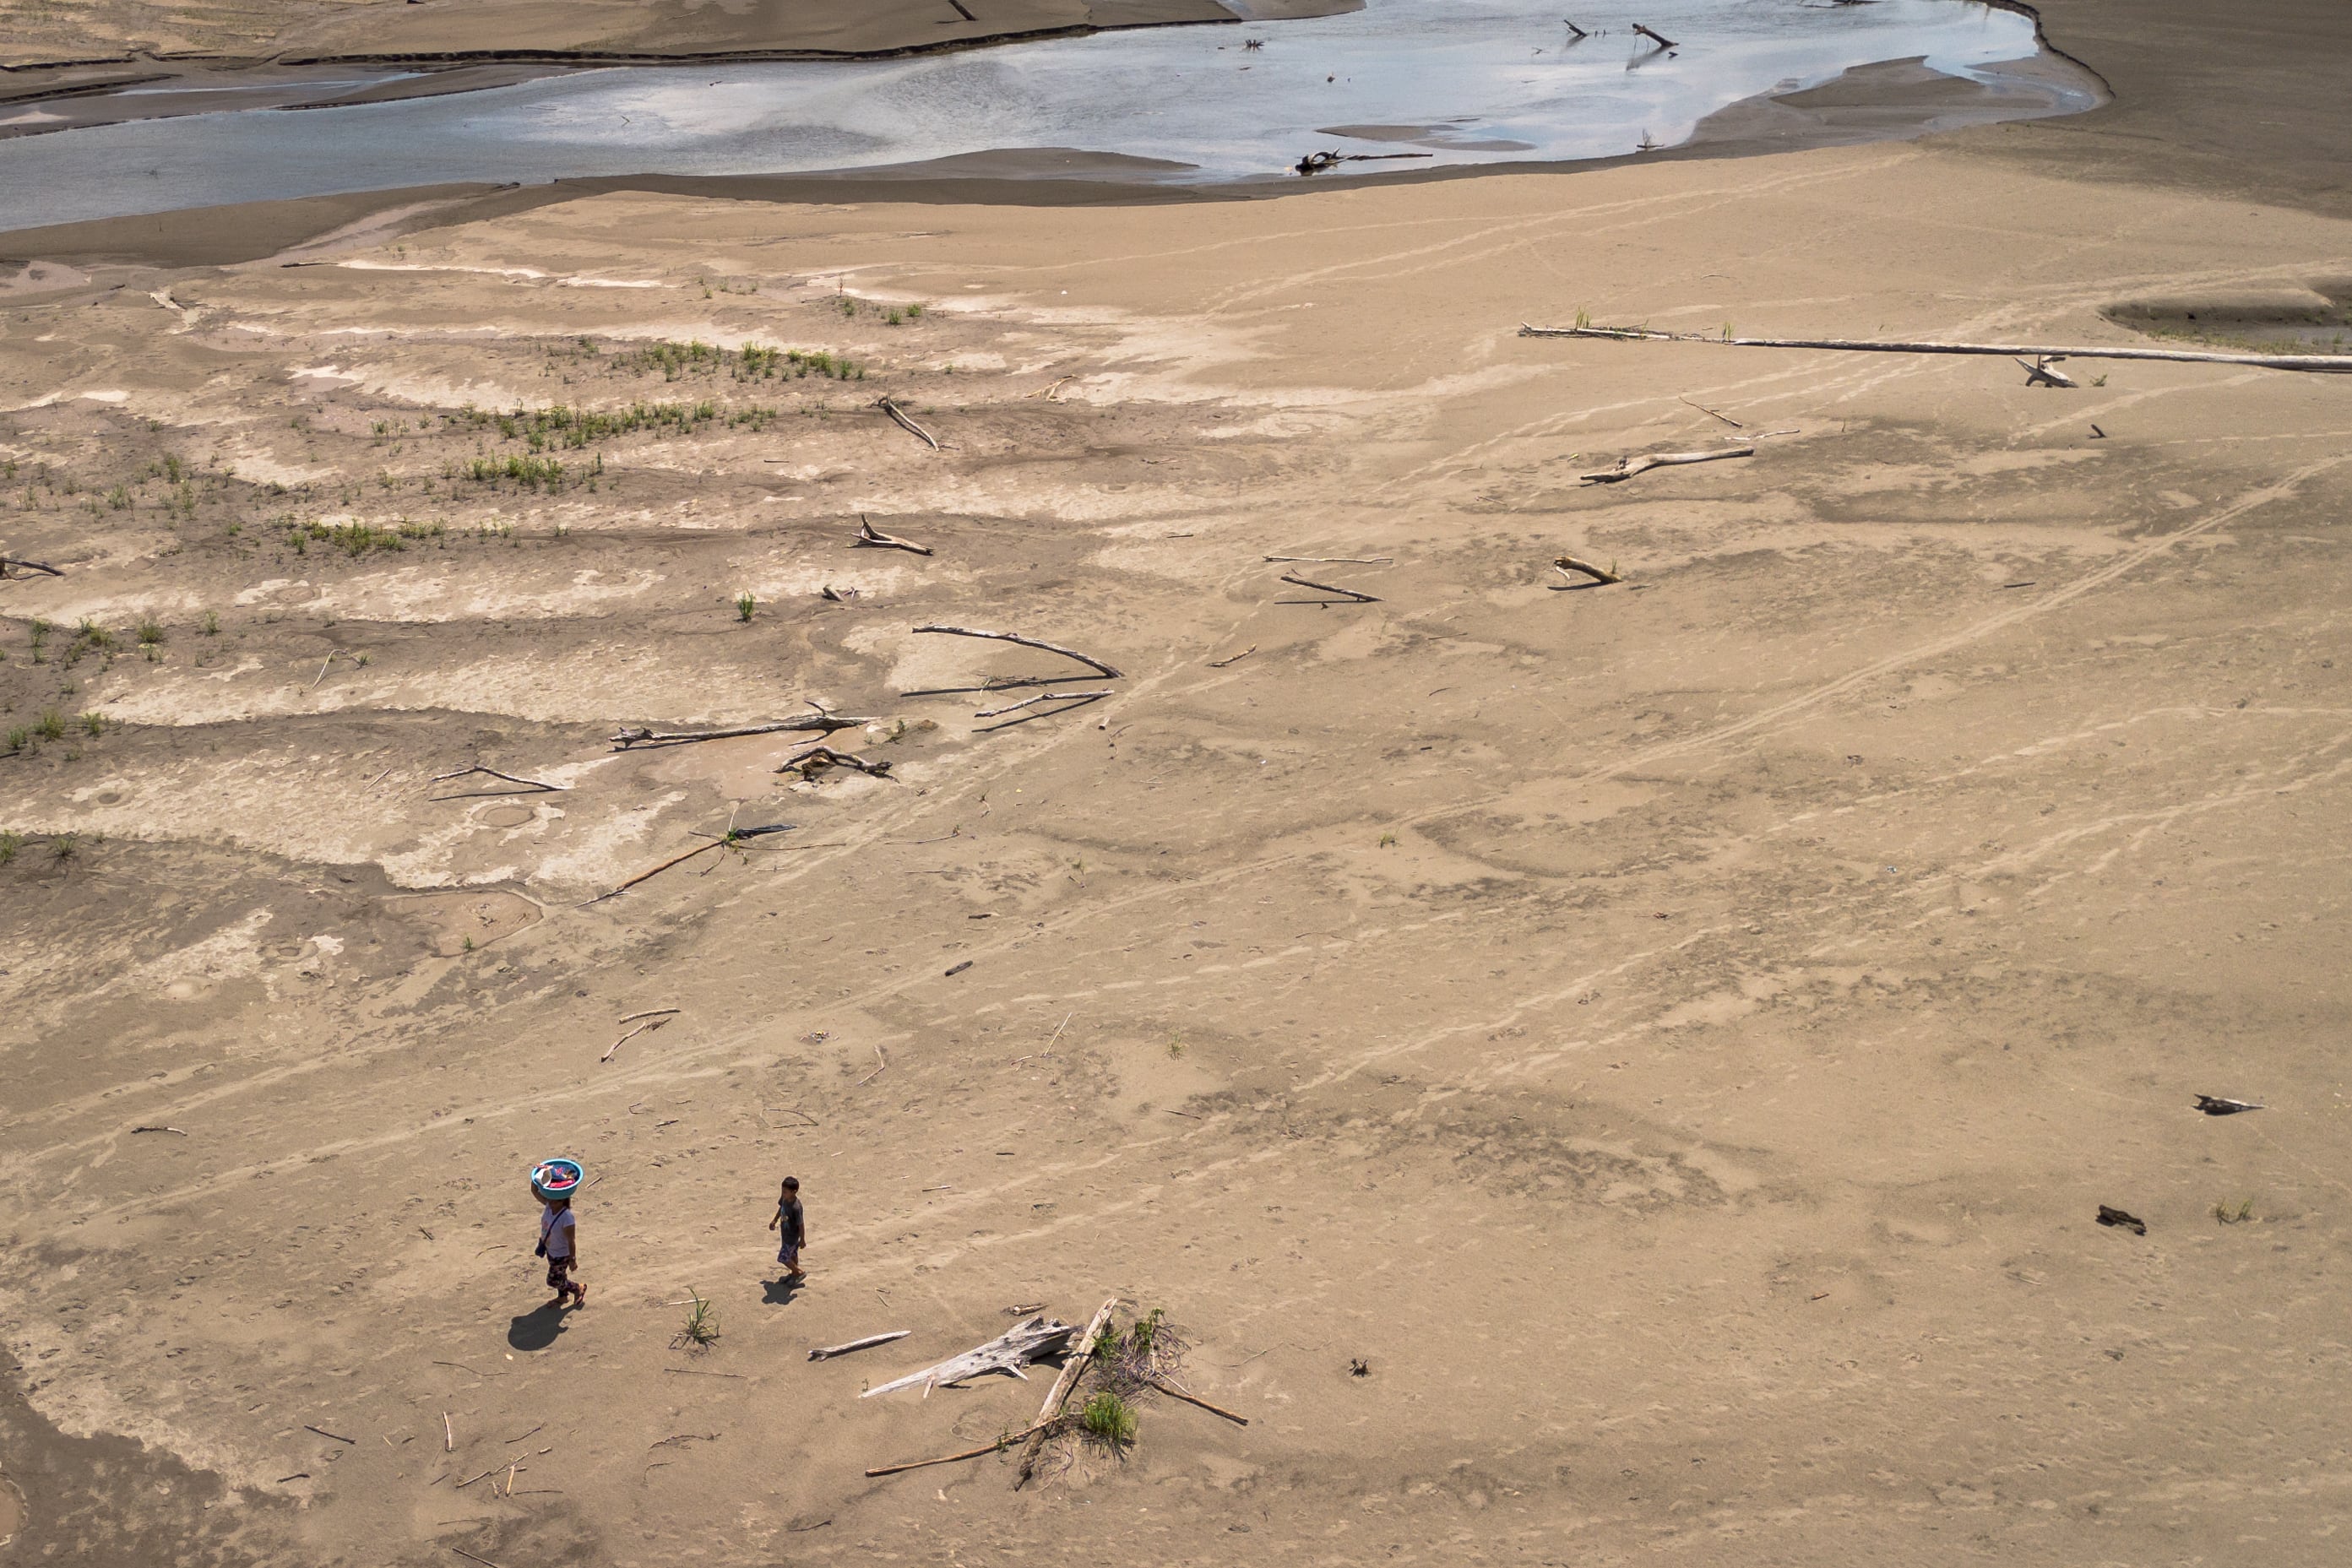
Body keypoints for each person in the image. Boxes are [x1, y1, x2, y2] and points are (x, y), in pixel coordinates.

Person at [539, 1191, 586, 1310]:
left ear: (562, 1201)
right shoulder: (549, 1207)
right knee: (560, 1275)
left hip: (561, 1255)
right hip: (550, 1250)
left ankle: (577, 1288)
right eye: (550, 1199)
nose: (551, 1202)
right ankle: (563, 1297)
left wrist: (572, 1260)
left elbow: (571, 1241)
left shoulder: (567, 1218)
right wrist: (536, 1178)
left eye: (555, 1200)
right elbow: (534, 1191)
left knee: (553, 1281)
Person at [768, 1175, 807, 1281]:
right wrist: (775, 1220)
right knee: (793, 1255)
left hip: (792, 1237)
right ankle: (794, 1274)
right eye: (782, 1191)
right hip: (785, 1235)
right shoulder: (785, 1199)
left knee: (783, 1258)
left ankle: (798, 1272)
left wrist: (802, 1240)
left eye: (785, 1192)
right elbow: (782, 1208)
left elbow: (801, 1225)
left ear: (794, 1192)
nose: (783, 1194)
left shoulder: (796, 1207)